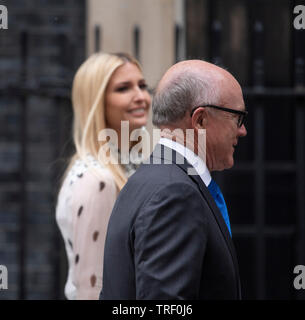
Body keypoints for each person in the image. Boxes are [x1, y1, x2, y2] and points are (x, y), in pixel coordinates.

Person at [100, 59, 247, 300]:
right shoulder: (175, 192)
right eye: (237, 117)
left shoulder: (148, 179)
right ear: (200, 120)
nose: (242, 130)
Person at [55, 52, 151, 300]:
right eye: (123, 88)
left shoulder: (131, 166)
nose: (141, 97)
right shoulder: (98, 180)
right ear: (96, 101)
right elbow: (91, 288)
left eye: (142, 85)